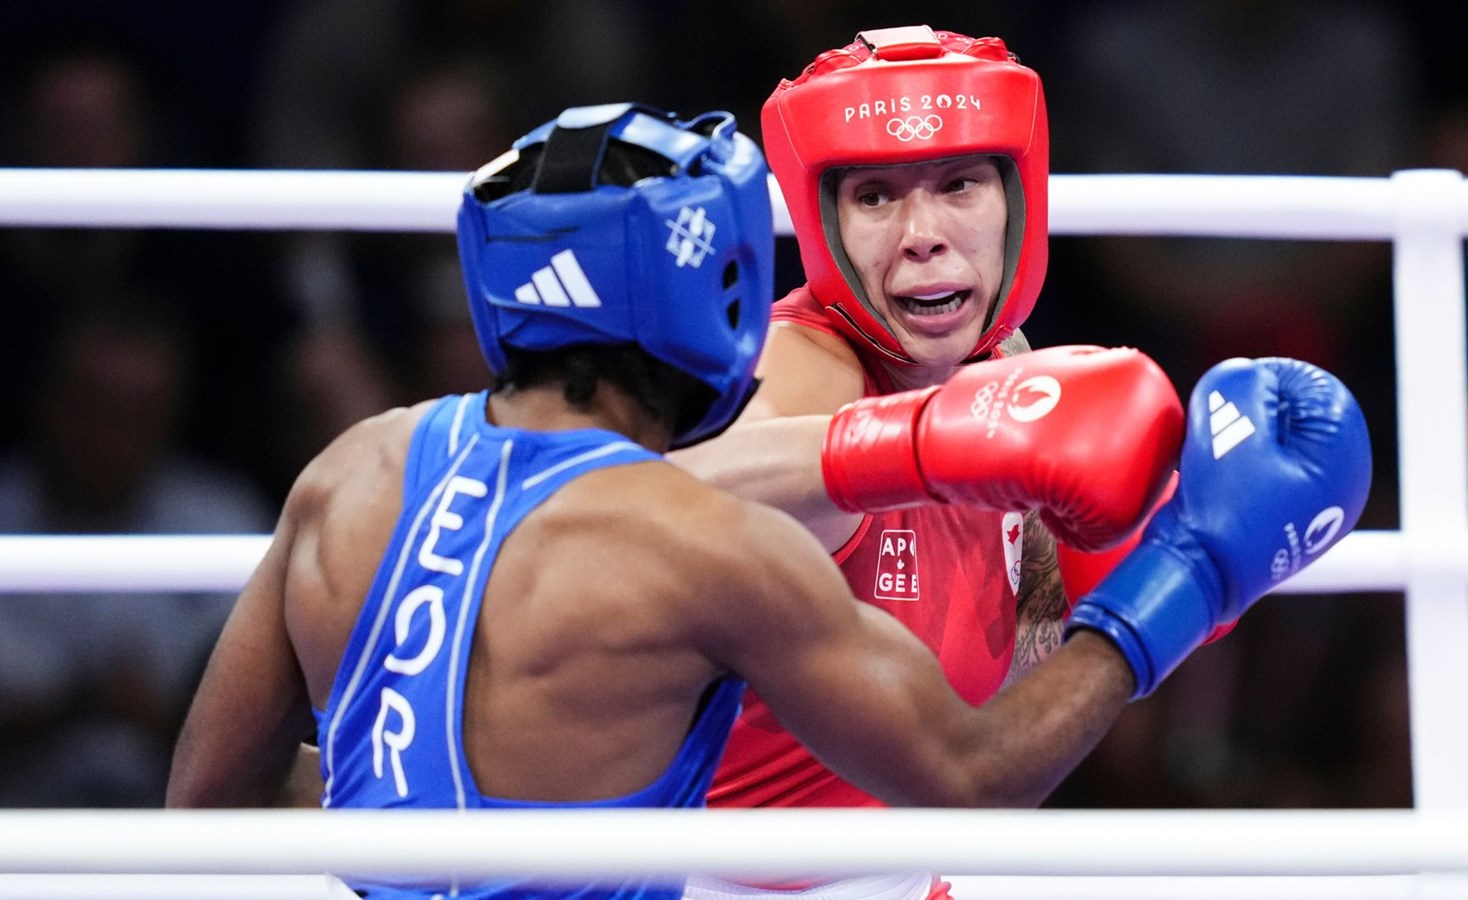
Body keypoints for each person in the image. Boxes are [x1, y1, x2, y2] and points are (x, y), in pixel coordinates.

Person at [166, 101, 1370, 900]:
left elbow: (209, 807)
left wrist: (430, 836)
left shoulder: (349, 472)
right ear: (716, 287)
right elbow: (970, 776)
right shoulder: (704, 548)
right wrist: (1194, 571)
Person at [666, 26, 1366, 900]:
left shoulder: (1006, 375)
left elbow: (1016, 692)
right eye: (876, 197)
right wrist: (920, 444)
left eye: (958, 184)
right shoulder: (806, 369)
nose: (922, 234)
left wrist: (1194, 564)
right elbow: (676, 486)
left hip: (908, 869)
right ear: (825, 224)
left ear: (1017, 203)